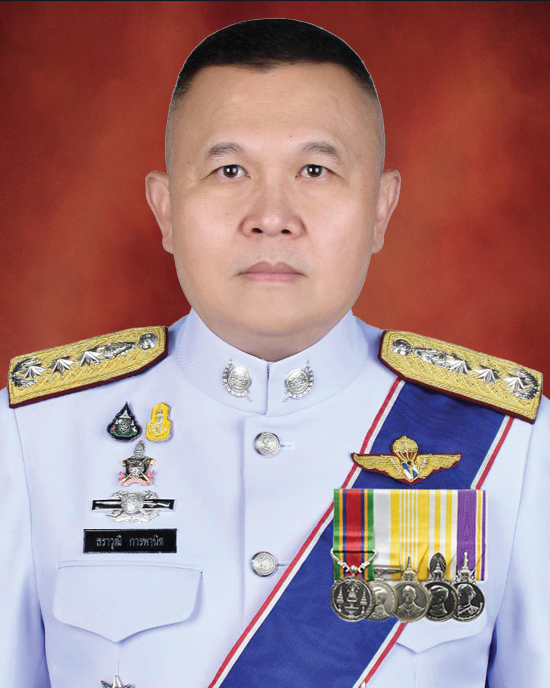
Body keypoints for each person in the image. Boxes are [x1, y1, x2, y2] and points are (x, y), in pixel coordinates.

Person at [1, 16, 548, 688]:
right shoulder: (32, 438)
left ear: (381, 209)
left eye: (315, 170)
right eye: (229, 169)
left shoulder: (513, 449)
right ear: (165, 210)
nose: (271, 216)